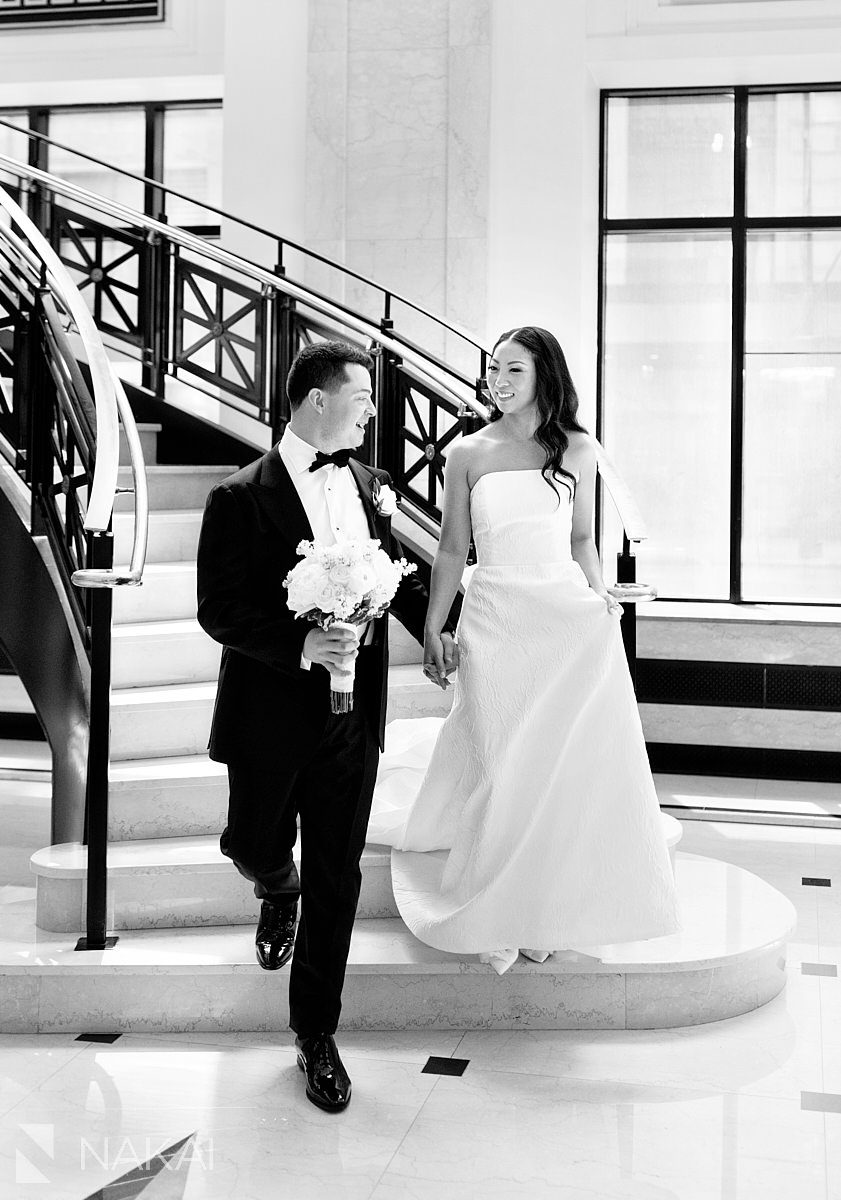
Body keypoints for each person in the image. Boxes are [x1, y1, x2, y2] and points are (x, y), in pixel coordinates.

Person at [368, 326, 681, 972]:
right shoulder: (468, 454)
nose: (497, 380)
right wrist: (433, 627)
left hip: (564, 621)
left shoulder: (578, 448)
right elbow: (452, 548)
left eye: (512, 369)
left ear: (544, 374)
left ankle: (543, 900)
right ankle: (493, 896)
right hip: (494, 616)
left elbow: (583, 540)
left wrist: (597, 597)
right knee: (497, 754)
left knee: (553, 765)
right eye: (492, 369)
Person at [196, 341, 456, 1111]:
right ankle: (276, 888)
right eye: (362, 396)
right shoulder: (238, 497)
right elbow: (219, 609)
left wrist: (447, 635)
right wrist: (298, 641)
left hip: (352, 722)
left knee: (338, 878)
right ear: (316, 399)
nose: (373, 409)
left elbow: (399, 582)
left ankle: (315, 1033)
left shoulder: (371, 485)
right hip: (271, 713)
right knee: (251, 841)